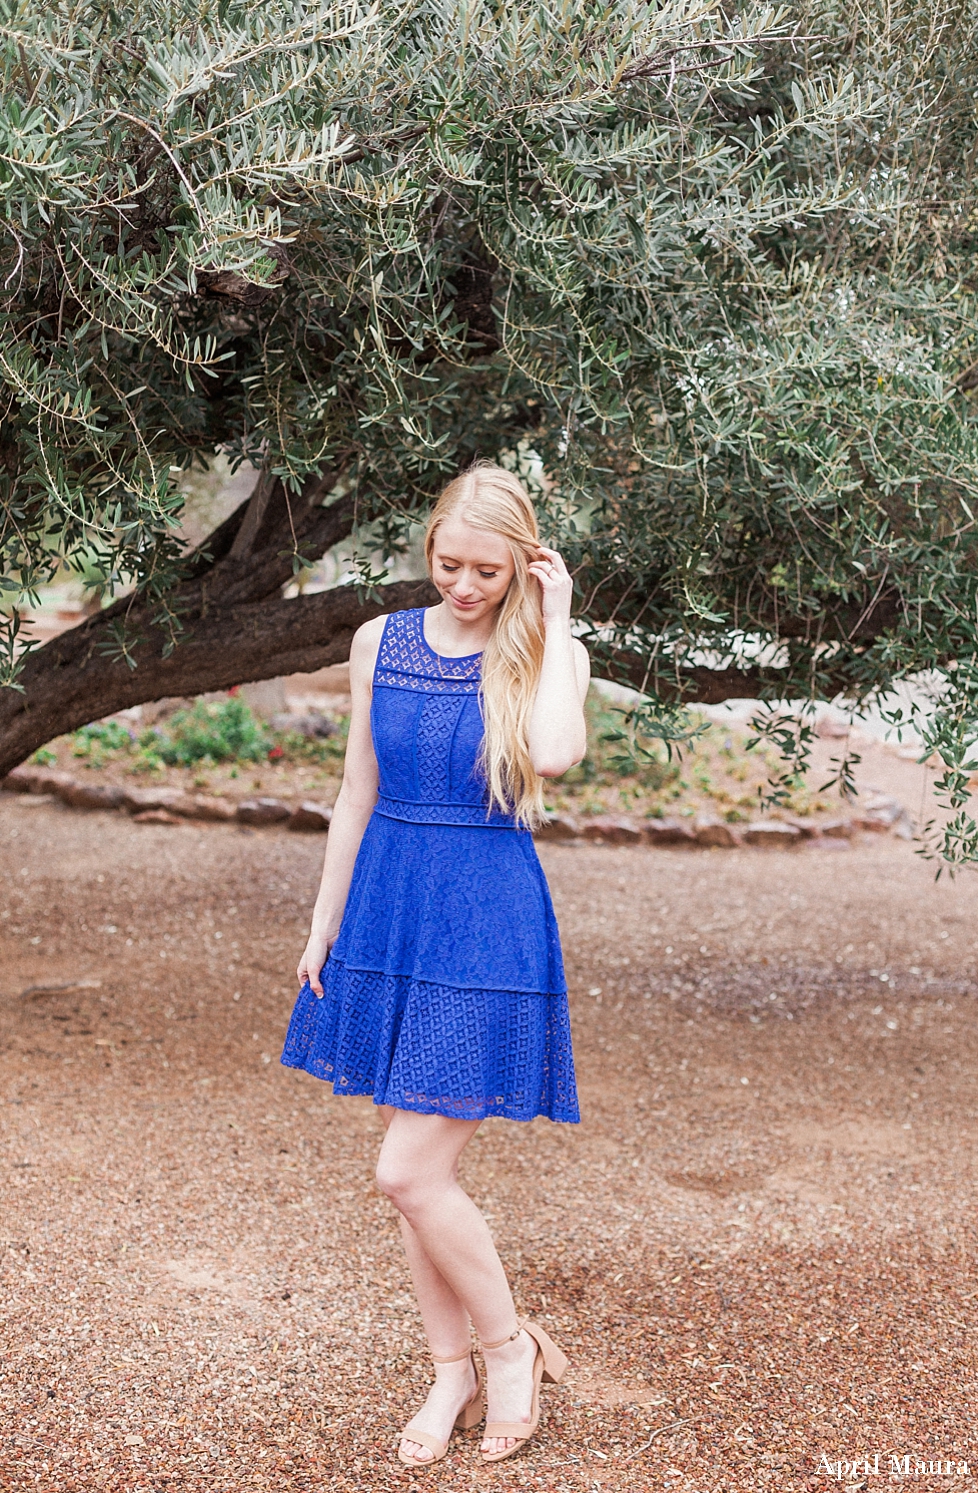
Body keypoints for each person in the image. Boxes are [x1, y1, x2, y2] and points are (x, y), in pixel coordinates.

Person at [281, 460, 590, 1466]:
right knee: (425, 1178)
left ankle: (506, 1351)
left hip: (486, 918)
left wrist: (554, 616)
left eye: (486, 573)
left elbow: (547, 759)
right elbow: (355, 792)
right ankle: (449, 1365)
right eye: (448, 565)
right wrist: (323, 923)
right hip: (388, 911)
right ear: (428, 553)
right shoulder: (382, 640)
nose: (462, 587)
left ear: (520, 566)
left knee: (403, 1169)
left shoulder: (548, 651)